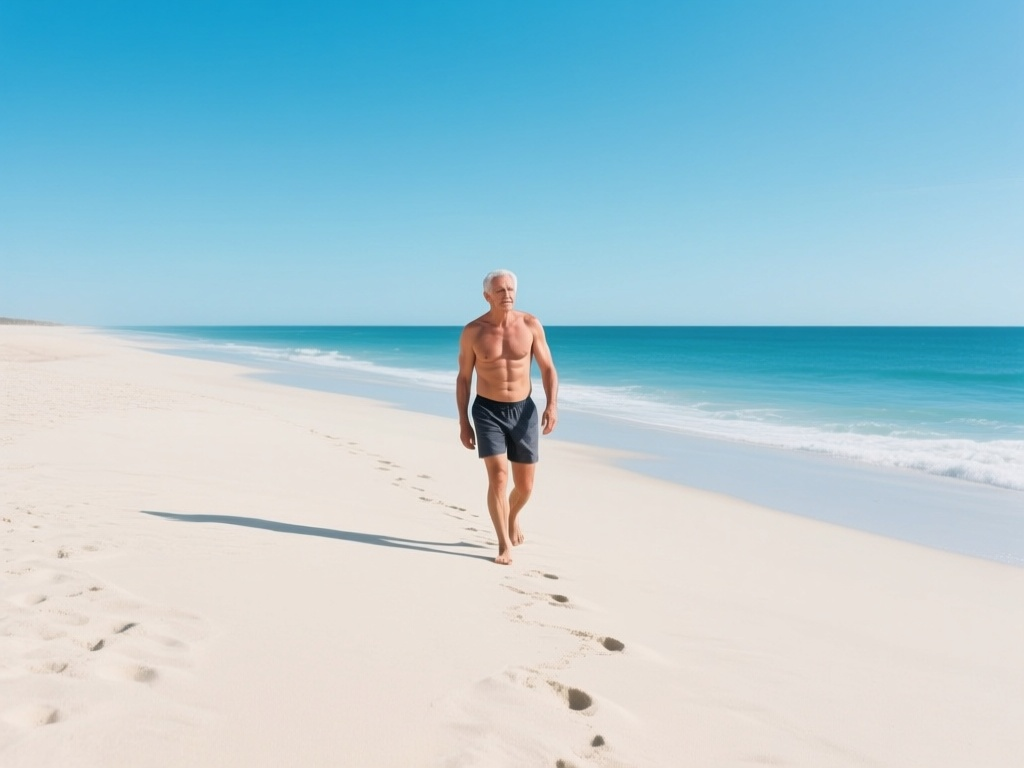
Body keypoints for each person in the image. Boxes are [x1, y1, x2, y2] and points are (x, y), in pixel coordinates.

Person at [457, 269, 558, 565]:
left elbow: (548, 368)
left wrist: (552, 405)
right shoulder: (473, 331)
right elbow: (464, 378)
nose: (507, 295)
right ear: (487, 296)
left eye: (511, 289)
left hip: (523, 410)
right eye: (500, 290)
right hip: (487, 410)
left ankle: (512, 516)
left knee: (525, 487)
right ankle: (503, 544)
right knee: (499, 476)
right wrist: (463, 421)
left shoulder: (530, 325)